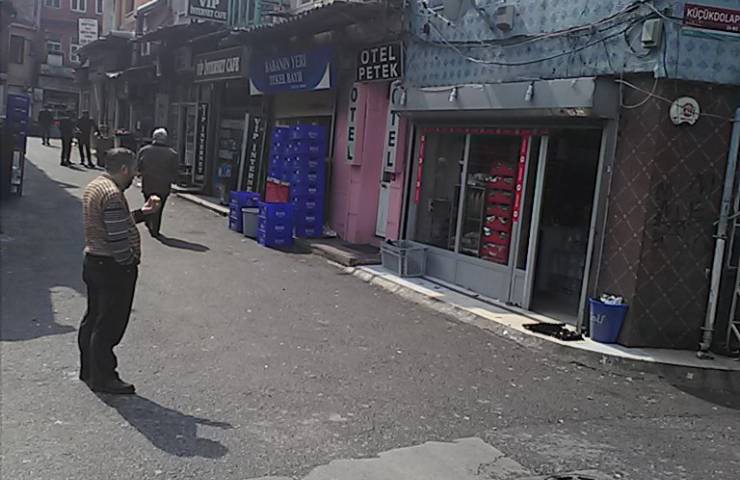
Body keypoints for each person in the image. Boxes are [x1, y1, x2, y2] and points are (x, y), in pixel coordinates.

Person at [78, 148, 161, 394]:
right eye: (134, 169)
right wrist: (129, 261)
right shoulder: (113, 194)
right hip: (111, 266)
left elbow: (114, 222)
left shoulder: (95, 185)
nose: (135, 175)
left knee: (93, 318)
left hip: (94, 260)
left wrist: (143, 214)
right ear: (124, 169)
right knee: (109, 324)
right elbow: (117, 237)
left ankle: (88, 369)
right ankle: (104, 377)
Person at [137, 128, 179, 238]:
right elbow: (175, 170)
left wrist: (141, 173)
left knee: (148, 202)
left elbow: (139, 166)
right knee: (159, 208)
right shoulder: (172, 153)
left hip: (148, 183)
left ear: (153, 138)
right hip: (163, 185)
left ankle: (148, 220)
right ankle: (155, 228)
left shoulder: (144, 151)